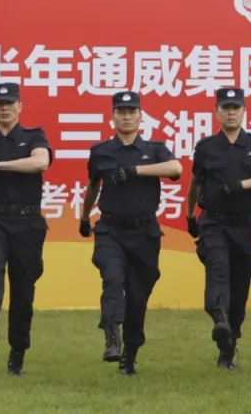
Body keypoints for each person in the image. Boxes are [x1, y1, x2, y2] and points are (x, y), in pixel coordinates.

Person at [78, 90, 183, 376]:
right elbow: (93, 186)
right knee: (112, 277)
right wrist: (84, 218)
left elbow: (175, 168)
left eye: (131, 112)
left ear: (140, 116)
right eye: (121, 112)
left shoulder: (154, 149)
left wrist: (135, 171)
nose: (126, 117)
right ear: (112, 117)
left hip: (145, 233)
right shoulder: (101, 151)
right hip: (110, 230)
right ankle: (112, 335)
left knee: (138, 297)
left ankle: (130, 355)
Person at [184, 87, 251, 371]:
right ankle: (218, 317)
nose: (231, 113)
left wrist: (243, 185)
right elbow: (195, 184)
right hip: (214, 223)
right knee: (218, 270)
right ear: (216, 112)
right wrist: (190, 216)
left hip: (244, 226)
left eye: (236, 108)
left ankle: (228, 346)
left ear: (243, 111)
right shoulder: (206, 147)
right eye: (226, 108)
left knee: (239, 290)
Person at [0, 82, 53, 377]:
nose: (5, 108)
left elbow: (40, 162)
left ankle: (17, 354)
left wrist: (0, 166)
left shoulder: (34, 136)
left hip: (27, 222)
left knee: (24, 290)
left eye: (10, 103)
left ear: (20, 106)